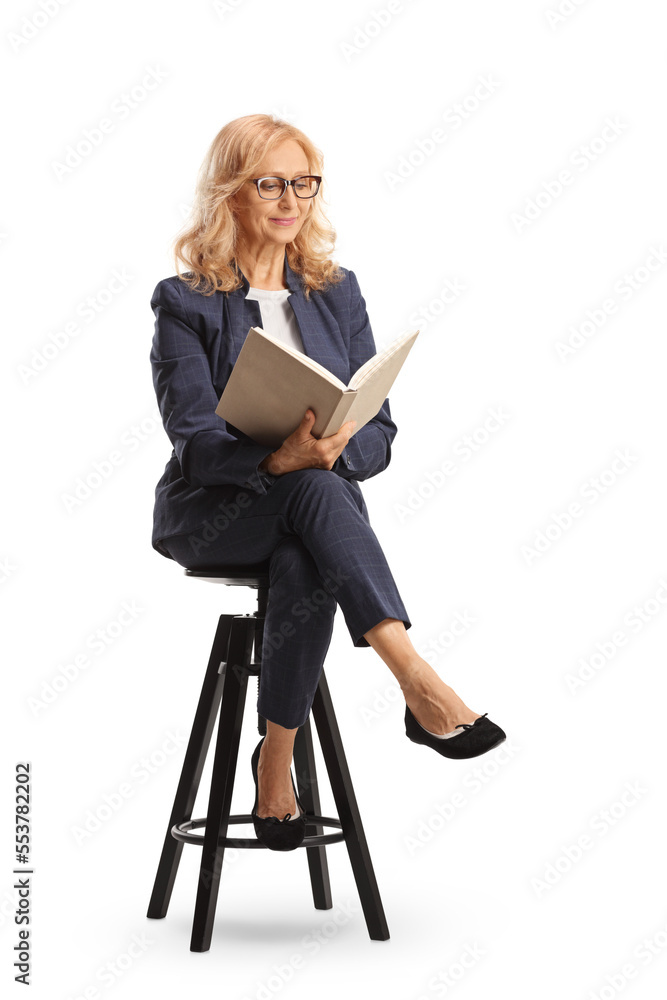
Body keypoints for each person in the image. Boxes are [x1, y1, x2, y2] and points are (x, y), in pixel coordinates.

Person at [149, 113, 506, 851]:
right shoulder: (184, 300)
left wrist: (335, 450)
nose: (290, 200)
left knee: (305, 547)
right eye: (270, 183)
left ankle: (274, 765)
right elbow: (193, 443)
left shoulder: (335, 293)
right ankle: (414, 677)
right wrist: (276, 462)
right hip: (215, 508)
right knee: (312, 497)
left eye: (303, 183)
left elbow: (379, 431)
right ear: (231, 193)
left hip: (311, 513)